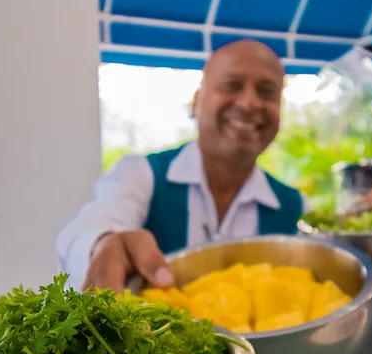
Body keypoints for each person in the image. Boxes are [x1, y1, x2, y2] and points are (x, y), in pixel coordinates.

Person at [55, 39, 307, 293]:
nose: (249, 103)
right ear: (196, 103)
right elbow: (86, 227)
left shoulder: (295, 207)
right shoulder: (141, 175)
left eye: (267, 92)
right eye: (232, 85)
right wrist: (102, 243)